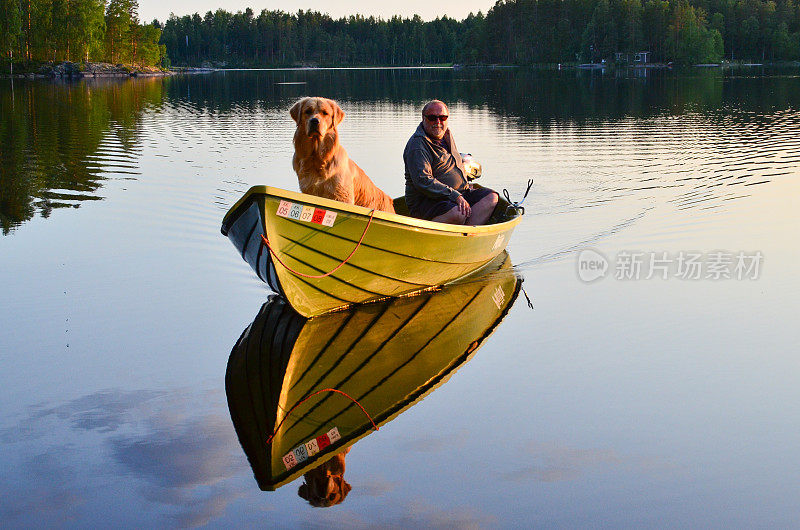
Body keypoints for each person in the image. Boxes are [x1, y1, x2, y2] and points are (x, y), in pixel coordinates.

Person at [403, 100, 499, 225]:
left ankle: (467, 237)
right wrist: (455, 195)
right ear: (423, 119)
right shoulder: (418, 146)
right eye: (432, 118)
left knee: (491, 198)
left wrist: (463, 182)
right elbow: (423, 181)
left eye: (442, 118)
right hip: (428, 201)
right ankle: (434, 233)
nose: (438, 122)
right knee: (458, 213)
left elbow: (453, 164)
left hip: (456, 195)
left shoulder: (446, 135)